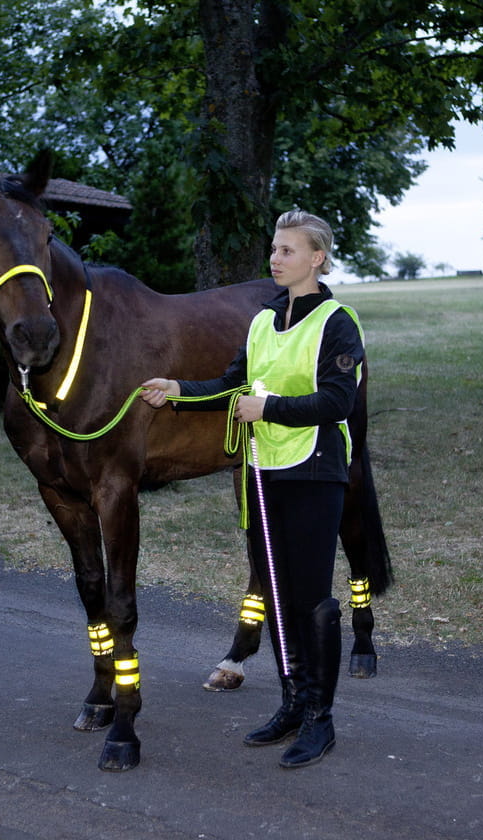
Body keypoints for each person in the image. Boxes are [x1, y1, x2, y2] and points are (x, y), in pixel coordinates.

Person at [140, 210, 365, 769]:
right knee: (280, 592)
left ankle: (321, 718)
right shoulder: (263, 320)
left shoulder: (339, 323)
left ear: (317, 258)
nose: (276, 258)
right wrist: (179, 390)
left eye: (288, 250)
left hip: (316, 470)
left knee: (312, 600)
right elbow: (231, 384)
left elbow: (338, 402)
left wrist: (269, 408)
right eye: (274, 248)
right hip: (265, 469)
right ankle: (291, 702)